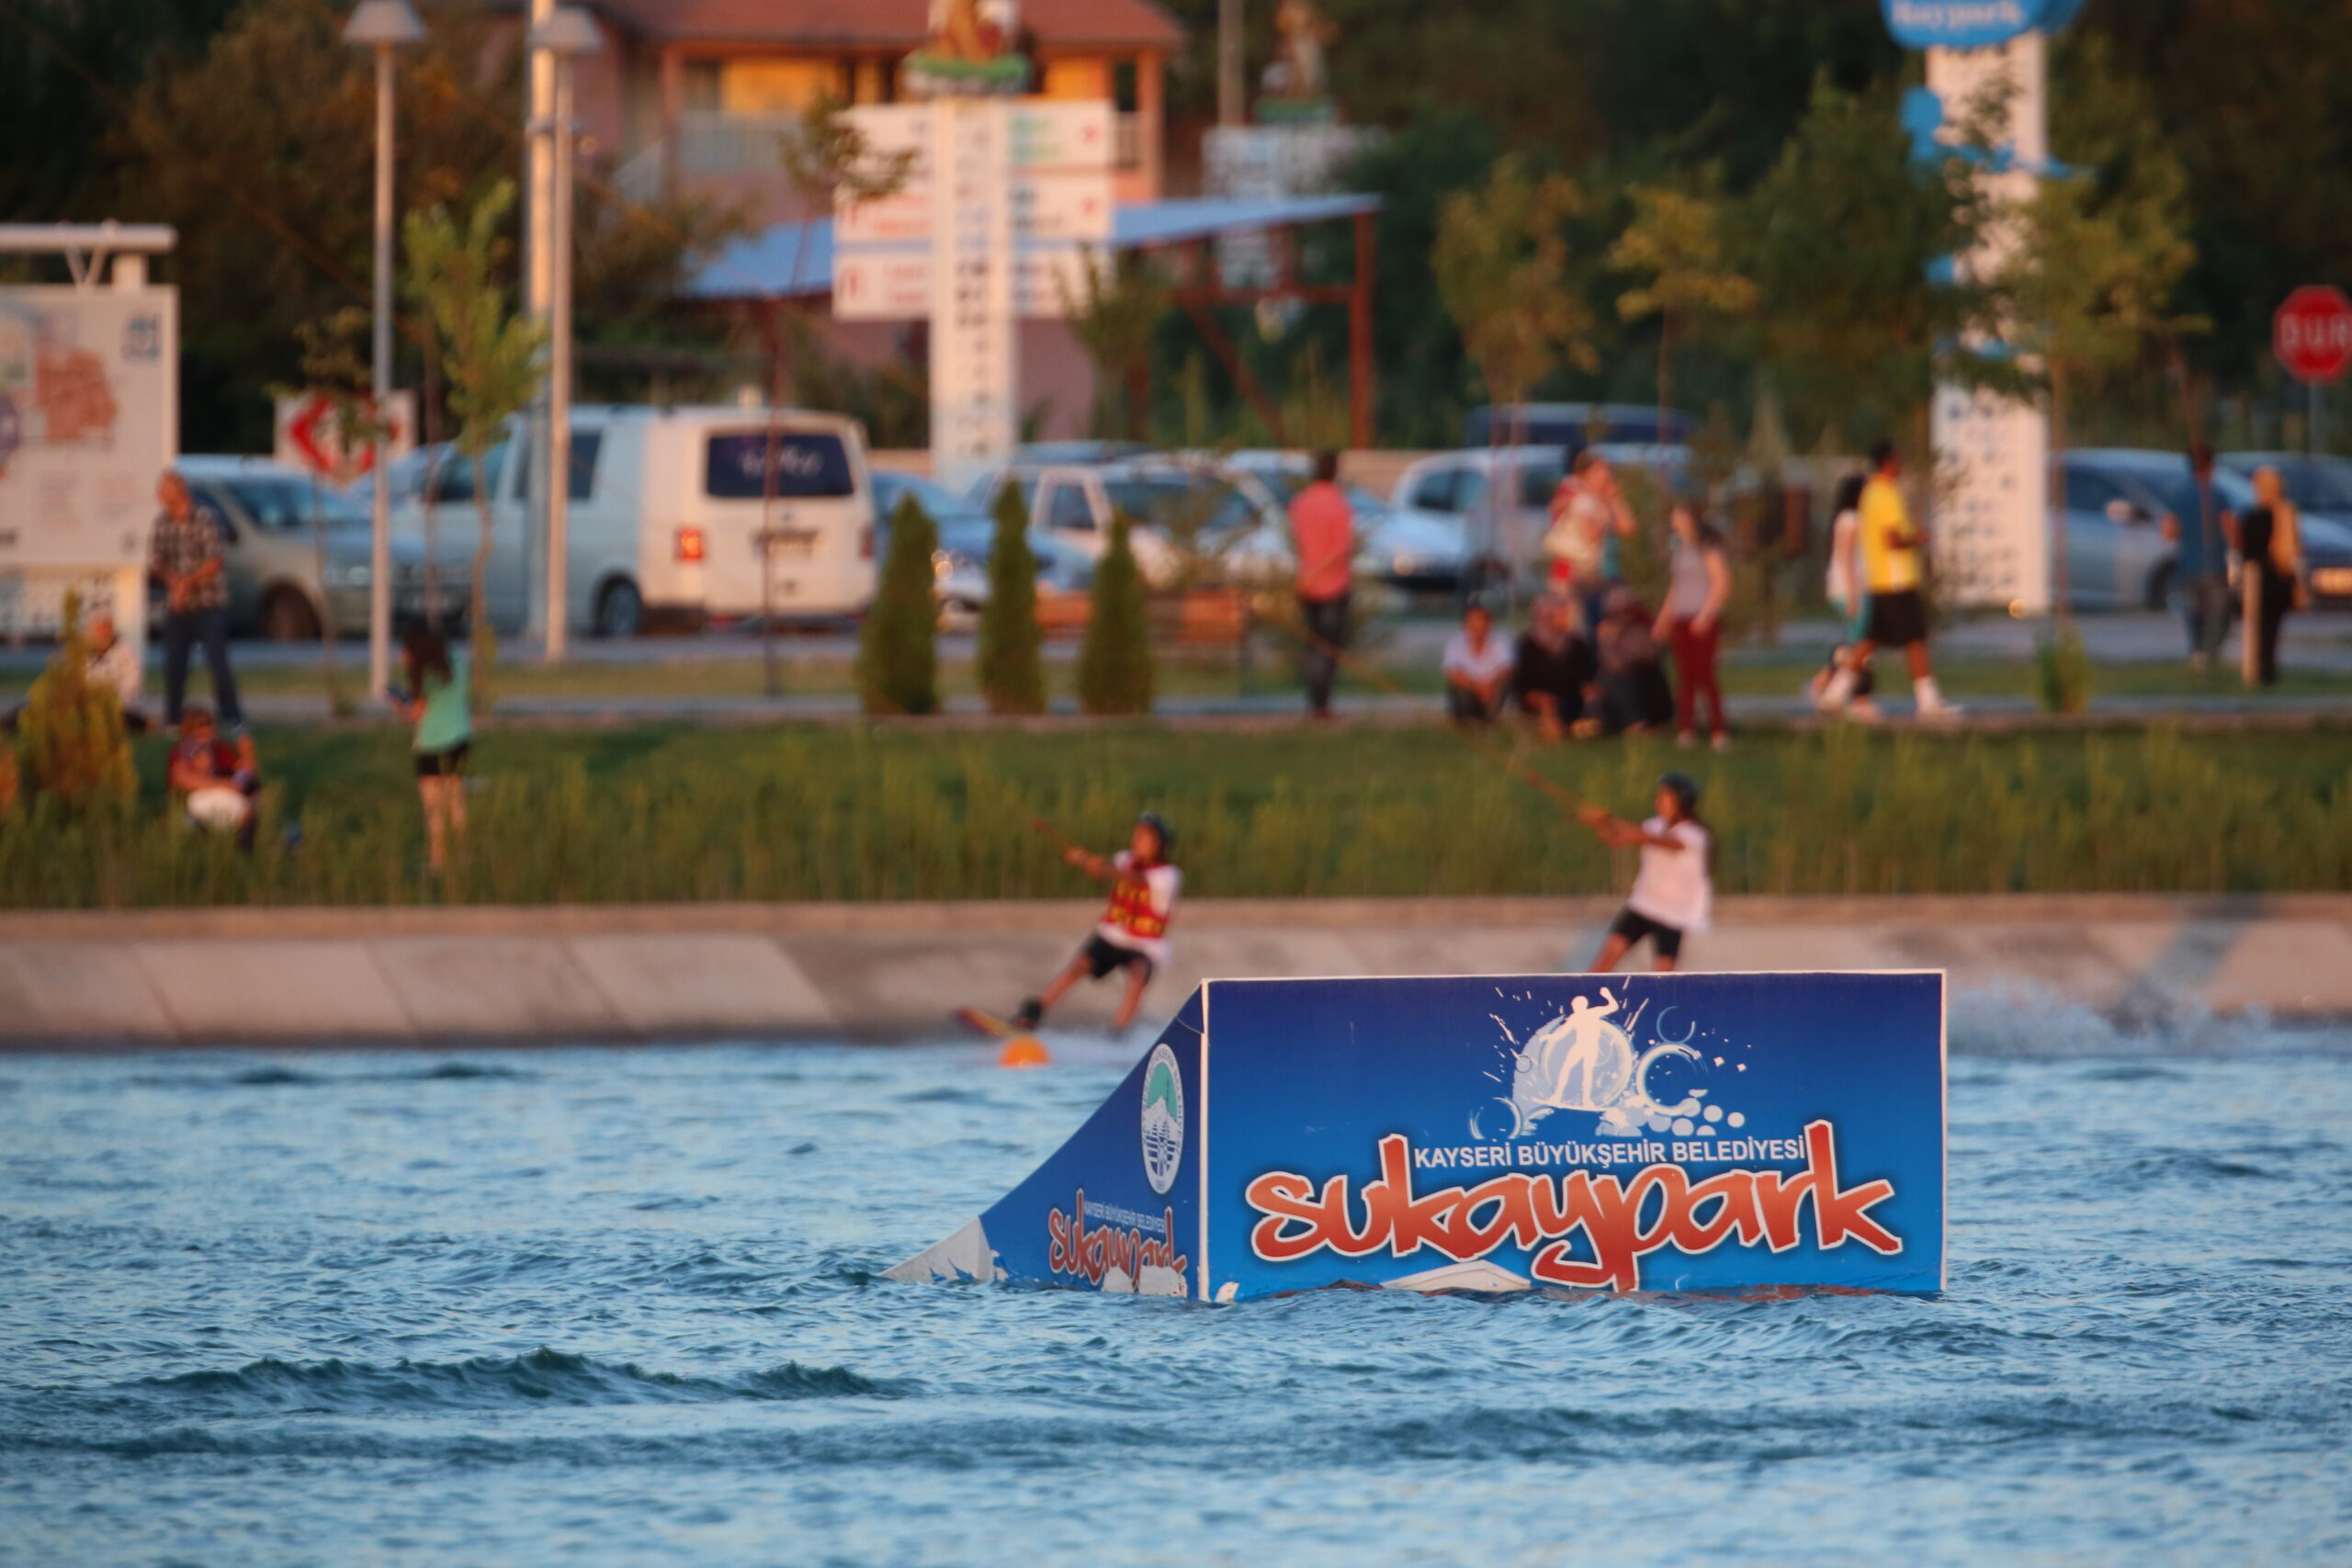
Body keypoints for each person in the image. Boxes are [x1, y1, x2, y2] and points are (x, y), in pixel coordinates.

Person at [1816, 441, 1958, 721]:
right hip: (1897, 579)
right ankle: (1928, 702)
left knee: (1871, 639)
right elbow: (1891, 539)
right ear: (1889, 462)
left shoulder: (1869, 494)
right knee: (1916, 639)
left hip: (1879, 580)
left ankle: (1834, 694)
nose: (1902, 465)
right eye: (1898, 460)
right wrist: (1916, 538)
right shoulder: (1886, 493)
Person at [1014, 813, 1182, 1033]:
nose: (1136, 840)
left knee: (1138, 976)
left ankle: (1119, 1030)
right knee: (1078, 966)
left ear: (1158, 843)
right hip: (1113, 935)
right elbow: (1103, 868)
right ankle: (1033, 1013)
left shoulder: (1168, 874)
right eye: (1136, 835)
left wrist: (1098, 866)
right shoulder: (1124, 858)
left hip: (1145, 945)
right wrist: (1084, 861)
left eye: (1143, 837)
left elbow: (1131, 878)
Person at [1577, 772, 1713, 974]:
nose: (1658, 802)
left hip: (1673, 913)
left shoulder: (1694, 835)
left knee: (1663, 972)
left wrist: (1609, 818)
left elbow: (1655, 840)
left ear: (1682, 802)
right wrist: (1600, 825)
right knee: (1609, 955)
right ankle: (1583, 996)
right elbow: (1619, 839)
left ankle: (1663, 1005)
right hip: (1644, 904)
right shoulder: (1654, 825)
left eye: (1665, 798)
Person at [148, 470, 243, 734]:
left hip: (209, 603)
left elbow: (214, 561)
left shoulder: (204, 518)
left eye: (164, 489)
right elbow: (157, 561)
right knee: (174, 665)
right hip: (179, 607)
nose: (159, 496)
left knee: (218, 663)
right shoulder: (162, 522)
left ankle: (232, 717)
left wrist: (187, 583)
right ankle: (173, 719)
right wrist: (173, 582)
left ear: (179, 491)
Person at [388, 626, 472, 874]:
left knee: (434, 807)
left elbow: (416, 713)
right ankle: (464, 856)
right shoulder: (457, 660)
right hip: (459, 739)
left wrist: (398, 704)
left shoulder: (422, 673)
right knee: (456, 801)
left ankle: (439, 860)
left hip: (432, 744)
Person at [1657, 503, 1733, 749]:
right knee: (1685, 676)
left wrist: (1706, 614)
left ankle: (1718, 731)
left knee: (1705, 675)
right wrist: (1664, 617)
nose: (1673, 521)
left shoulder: (1707, 545)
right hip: (1682, 615)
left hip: (1702, 617)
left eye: (1677, 515)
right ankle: (1686, 730)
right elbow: (1676, 586)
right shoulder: (1680, 547)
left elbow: (1721, 582)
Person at [1290, 448, 1354, 719]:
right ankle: (1321, 704)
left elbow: (1301, 543)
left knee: (1313, 645)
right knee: (1328, 648)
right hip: (1333, 585)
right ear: (1335, 471)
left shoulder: (1300, 503)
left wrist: (1308, 573)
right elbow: (1340, 552)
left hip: (1306, 584)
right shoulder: (1339, 505)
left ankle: (1314, 701)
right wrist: (1319, 572)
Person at [1544, 449, 1638, 631]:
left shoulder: (1602, 498)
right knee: (1575, 629)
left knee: (1598, 628)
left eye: (1607, 469)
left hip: (1597, 575)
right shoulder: (1576, 494)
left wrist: (1614, 500)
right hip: (1571, 575)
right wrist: (1603, 520)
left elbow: (1629, 528)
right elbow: (1589, 533)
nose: (1606, 474)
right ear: (1585, 474)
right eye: (1600, 470)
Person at [2164, 445, 2237, 673]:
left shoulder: (2178, 495)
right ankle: (2210, 654)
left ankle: (2197, 654)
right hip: (2214, 565)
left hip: (2187, 566)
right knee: (2218, 615)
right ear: (2211, 466)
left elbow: (2169, 531)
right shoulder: (2218, 495)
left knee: (2193, 615)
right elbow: (2231, 530)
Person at [2237, 466, 2306, 687]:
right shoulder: (2288, 512)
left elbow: (2246, 551)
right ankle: (2268, 671)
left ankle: (2258, 671)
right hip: (2281, 577)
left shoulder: (2253, 516)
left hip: (2259, 579)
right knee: (2272, 630)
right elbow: (2296, 551)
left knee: (2257, 629)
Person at [167, 704, 260, 852]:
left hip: (224, 797)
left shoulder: (219, 748)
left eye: (210, 723)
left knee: (254, 791)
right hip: (200, 801)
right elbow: (181, 777)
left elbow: (246, 774)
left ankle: (246, 839)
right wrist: (225, 784)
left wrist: (247, 752)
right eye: (201, 725)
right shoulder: (185, 749)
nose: (208, 729)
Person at [1512, 592, 1596, 740]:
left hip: (1570, 696)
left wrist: (1589, 688)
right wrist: (1535, 696)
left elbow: (1588, 673)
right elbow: (1521, 679)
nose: (1548, 619)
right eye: (1544, 616)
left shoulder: (1575, 643)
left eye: (1552, 615)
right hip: (1540, 699)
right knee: (1547, 706)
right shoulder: (1527, 644)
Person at [1593, 585, 1674, 735]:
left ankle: (1651, 721)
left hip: (1643, 672)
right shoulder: (1605, 629)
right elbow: (1610, 661)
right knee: (1614, 680)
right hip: (1619, 675)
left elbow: (1651, 652)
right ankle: (1634, 722)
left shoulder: (1641, 626)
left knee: (1647, 676)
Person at [1442, 603, 1515, 724]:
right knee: (1458, 687)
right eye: (1472, 620)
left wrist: (1490, 685)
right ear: (1464, 624)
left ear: (1490, 623)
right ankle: (1467, 722)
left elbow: (1508, 668)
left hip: (1492, 687)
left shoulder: (1502, 641)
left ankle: (1489, 722)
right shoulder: (1455, 643)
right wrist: (1478, 687)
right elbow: (1453, 672)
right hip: (1469, 688)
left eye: (1481, 620)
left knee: (1505, 684)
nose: (1477, 625)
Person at [1825, 471, 1869, 644]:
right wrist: (1853, 595)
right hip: (1849, 587)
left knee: (1854, 640)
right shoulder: (1852, 519)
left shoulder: (1842, 518)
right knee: (1857, 642)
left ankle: (1842, 670)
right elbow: (1848, 558)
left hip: (1843, 586)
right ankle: (1845, 671)